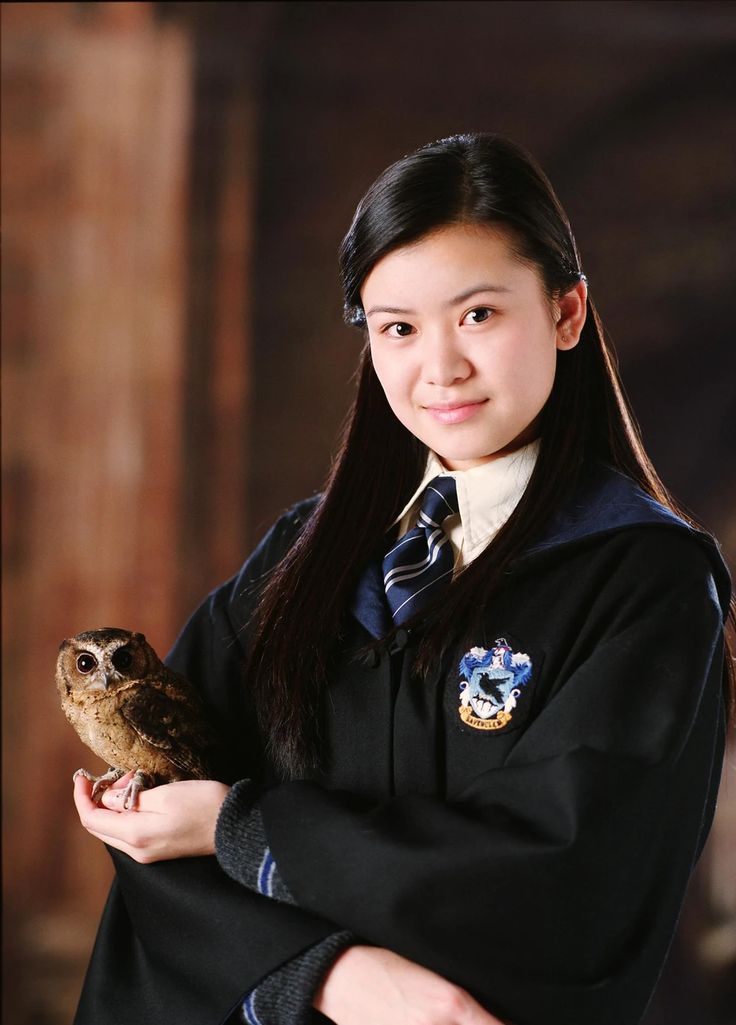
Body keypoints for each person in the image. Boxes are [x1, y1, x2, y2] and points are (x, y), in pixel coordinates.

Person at [72, 133, 733, 1025]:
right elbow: (162, 812)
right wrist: (331, 977)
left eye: (479, 316)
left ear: (568, 312)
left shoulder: (644, 580)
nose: (440, 368)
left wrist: (243, 830)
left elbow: (567, 872)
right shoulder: (300, 559)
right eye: (398, 328)